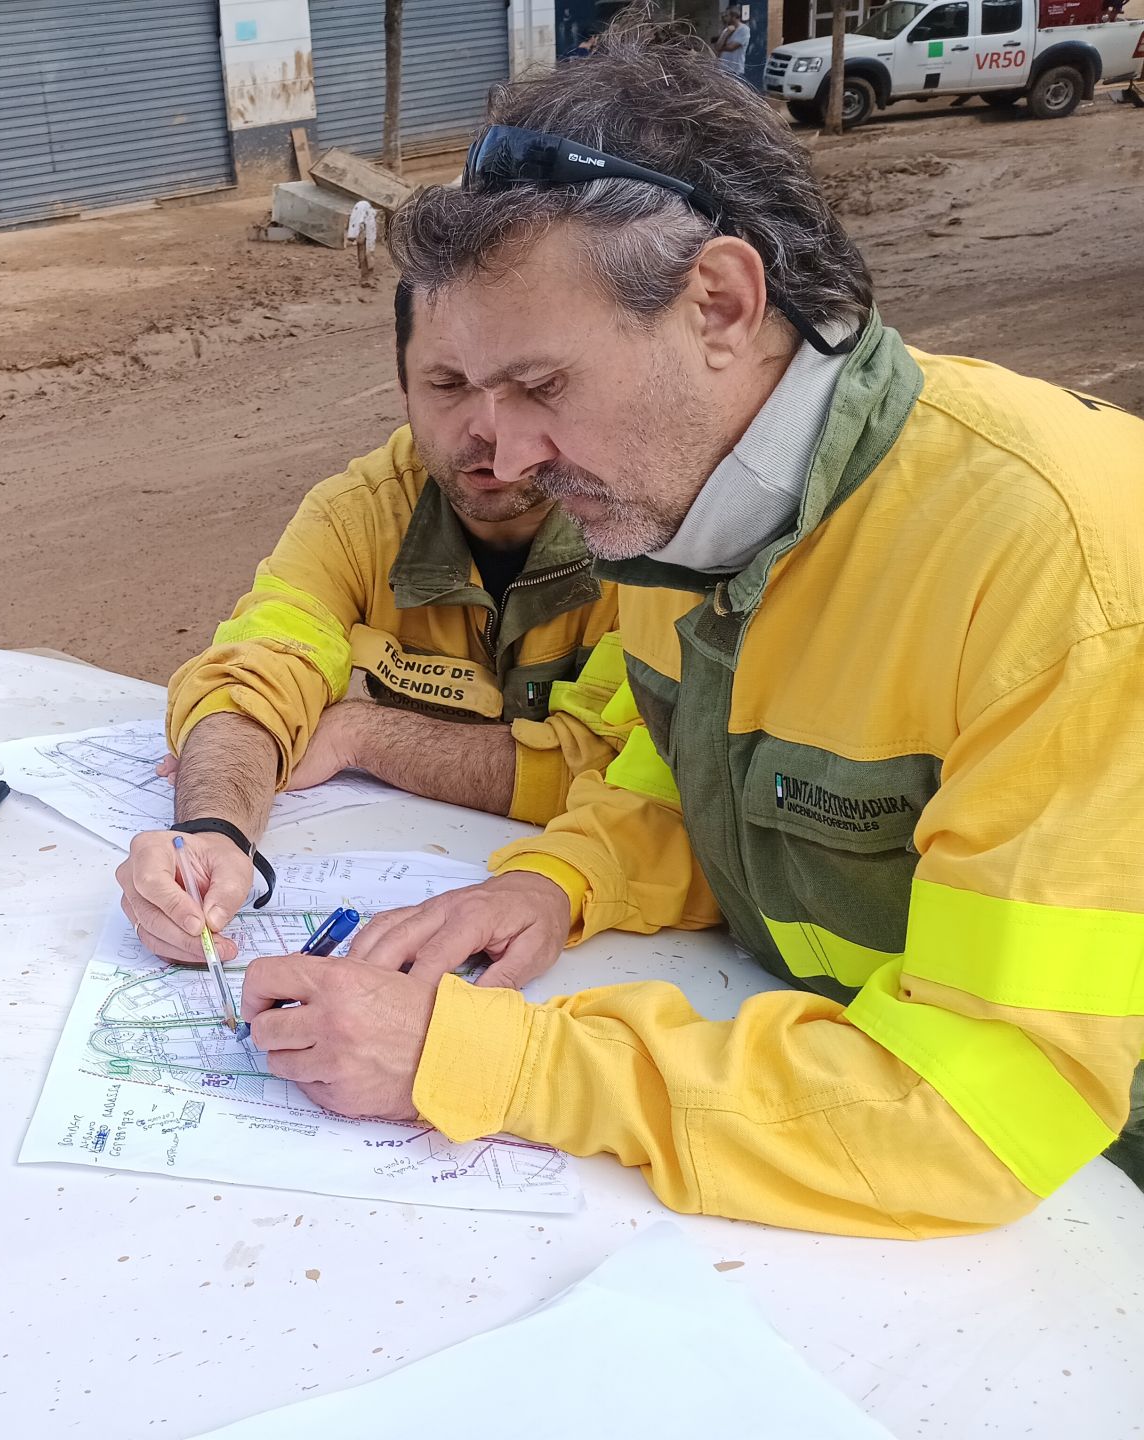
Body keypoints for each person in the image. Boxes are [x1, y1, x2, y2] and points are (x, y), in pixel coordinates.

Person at [236, 25, 1144, 1239]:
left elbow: (977, 1105)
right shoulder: (679, 498)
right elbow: (687, 774)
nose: (498, 458)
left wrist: (505, 1067)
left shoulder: (1053, 568)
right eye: (464, 391)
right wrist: (564, 880)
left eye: (543, 387)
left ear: (720, 301)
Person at [114, 282, 621, 968]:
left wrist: (361, 732)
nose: (489, 432)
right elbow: (254, 672)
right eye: (447, 384)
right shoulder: (354, 516)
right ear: (401, 380)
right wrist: (212, 830)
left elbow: (629, 776)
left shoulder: (646, 532)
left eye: (529, 386)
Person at [715, 7, 751, 78]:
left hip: (735, 70)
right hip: (722, 68)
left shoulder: (744, 30)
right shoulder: (726, 30)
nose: (725, 18)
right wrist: (726, 34)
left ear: (734, 17)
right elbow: (717, 47)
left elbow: (731, 47)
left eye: (727, 16)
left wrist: (721, 48)